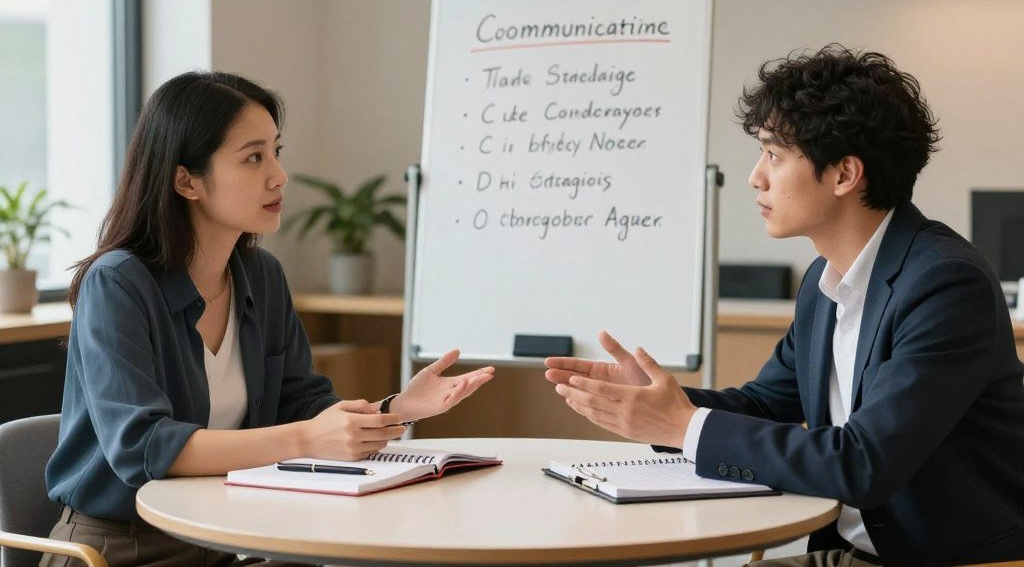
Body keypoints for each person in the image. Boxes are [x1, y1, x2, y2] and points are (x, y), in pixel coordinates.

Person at [544, 45, 1024, 566]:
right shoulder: (825, 279)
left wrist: (682, 424)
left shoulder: (944, 284)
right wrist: (662, 401)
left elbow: (864, 462)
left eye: (774, 155)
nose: (756, 176)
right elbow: (764, 403)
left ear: (844, 174)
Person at [41, 71, 494, 567]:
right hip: (117, 548)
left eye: (276, 152)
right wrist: (305, 438)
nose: (279, 175)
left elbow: (304, 406)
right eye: (254, 157)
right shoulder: (118, 284)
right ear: (186, 180)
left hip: (219, 539)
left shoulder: (262, 276)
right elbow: (142, 448)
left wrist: (396, 408)